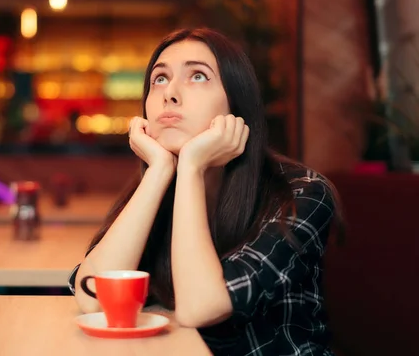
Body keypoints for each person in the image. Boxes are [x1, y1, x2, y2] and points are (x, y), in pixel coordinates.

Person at [68, 28, 342, 355]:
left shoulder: (300, 193)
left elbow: (200, 307)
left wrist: (193, 166)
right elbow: (94, 299)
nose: (170, 93)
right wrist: (158, 171)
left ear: (236, 107)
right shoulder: (157, 188)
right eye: (159, 79)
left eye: (197, 76)